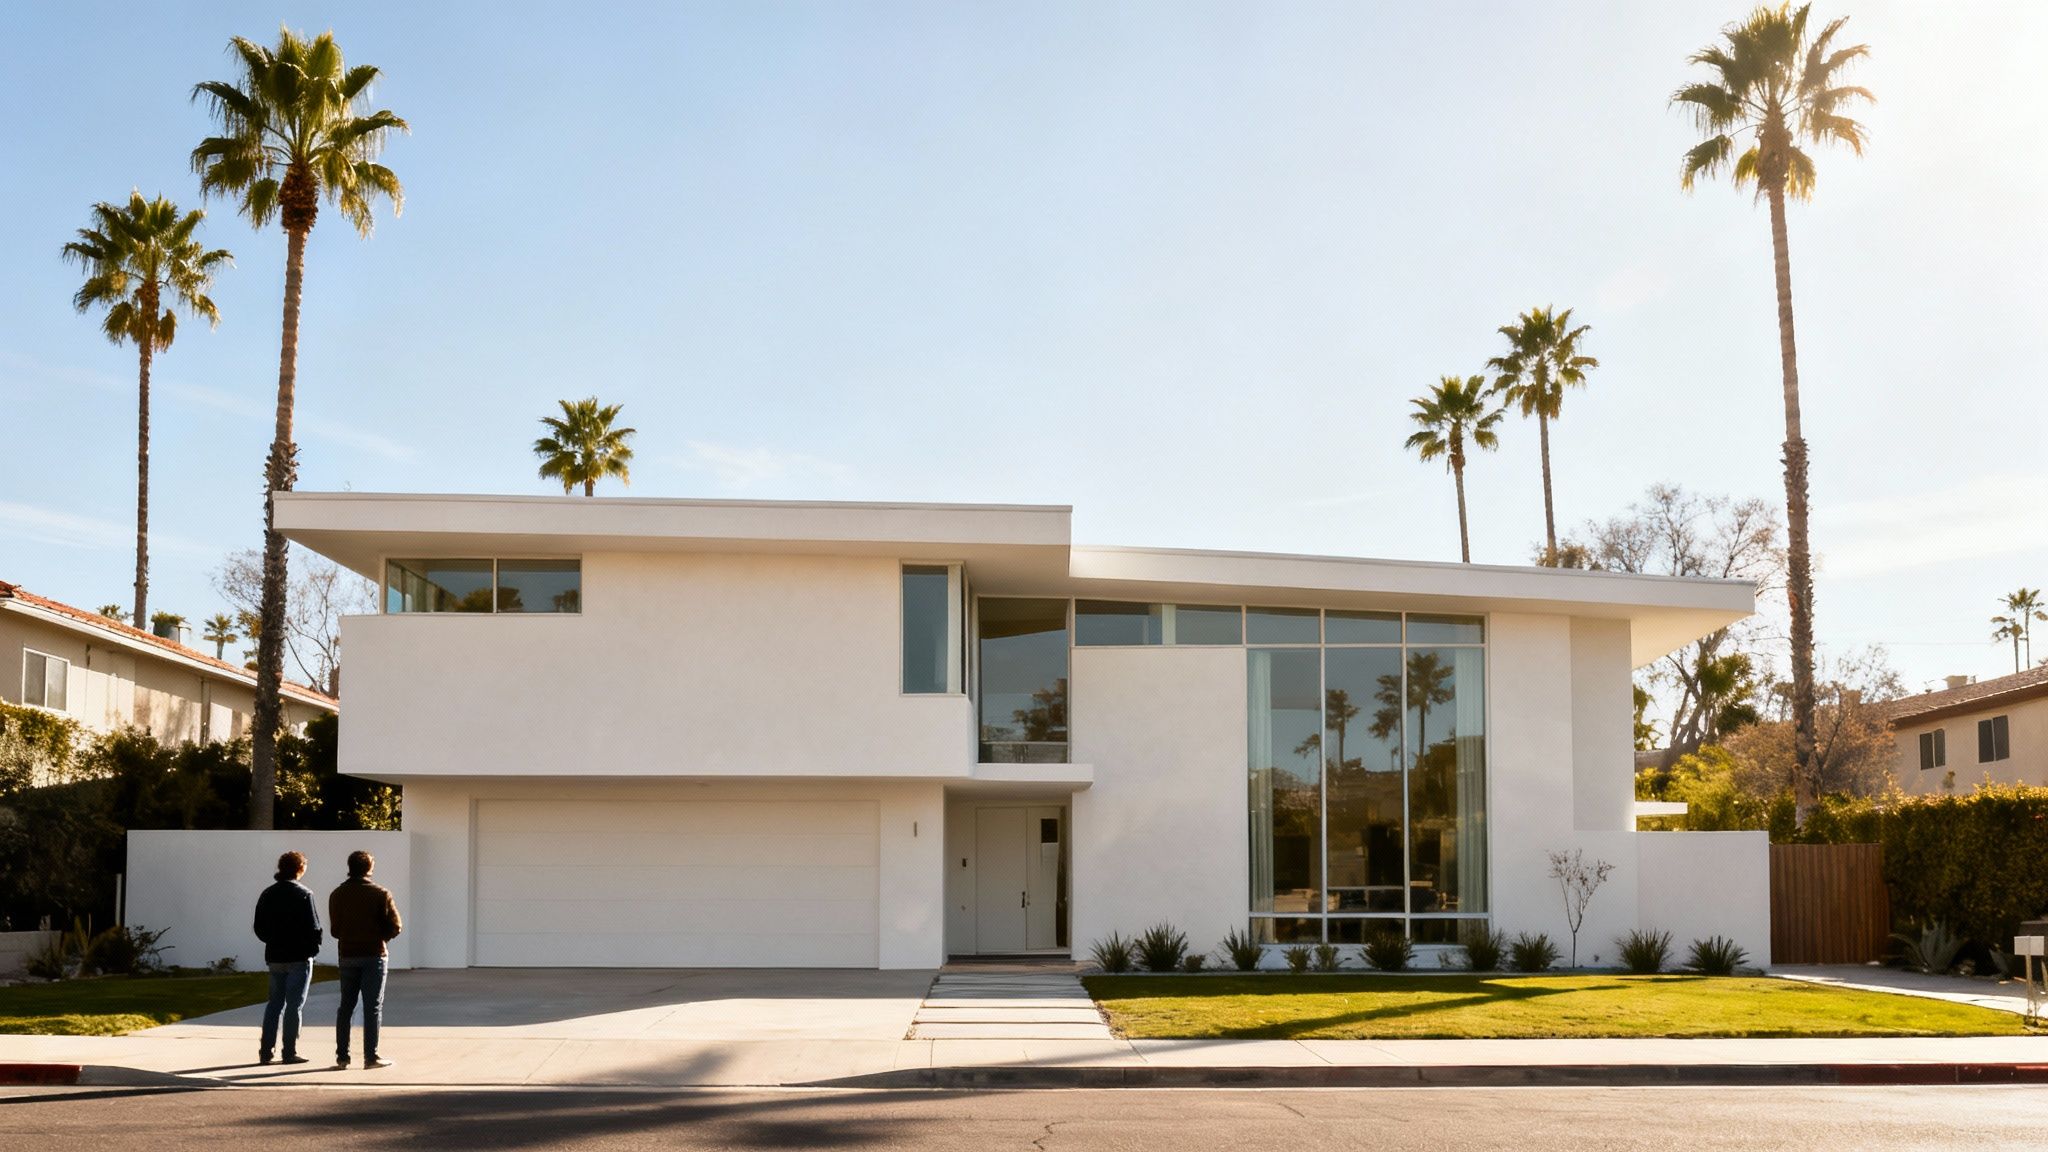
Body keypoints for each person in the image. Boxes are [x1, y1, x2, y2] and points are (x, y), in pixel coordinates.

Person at [328, 849, 403, 1069]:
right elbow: (396, 926)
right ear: (369, 869)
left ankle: (342, 1056)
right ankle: (371, 1056)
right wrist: (382, 938)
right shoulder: (380, 893)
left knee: (346, 1007)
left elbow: (335, 930)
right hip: (374, 954)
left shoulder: (337, 894)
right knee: (372, 1007)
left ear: (349, 867)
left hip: (348, 954)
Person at [251, 850, 322, 1066]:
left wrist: (272, 941)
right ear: (300, 869)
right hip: (299, 957)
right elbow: (314, 928)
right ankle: (289, 1051)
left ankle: (266, 1050)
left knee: (274, 1004)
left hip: (275, 956)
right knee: (294, 1006)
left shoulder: (267, 894)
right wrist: (312, 950)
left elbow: (259, 927)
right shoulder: (304, 894)